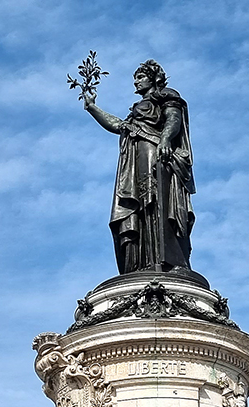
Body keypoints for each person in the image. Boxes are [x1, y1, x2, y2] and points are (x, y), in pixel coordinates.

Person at [83, 59, 196, 275]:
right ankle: (141, 262)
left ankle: (165, 259)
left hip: (156, 154)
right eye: (135, 78)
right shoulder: (136, 113)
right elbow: (118, 125)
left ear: (154, 78)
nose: (136, 82)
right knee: (140, 208)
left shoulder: (166, 96)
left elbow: (174, 118)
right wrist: (92, 107)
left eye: (141, 77)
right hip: (134, 161)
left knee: (156, 202)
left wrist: (165, 139)